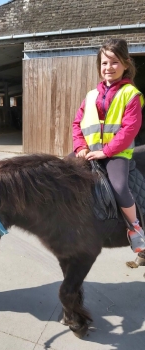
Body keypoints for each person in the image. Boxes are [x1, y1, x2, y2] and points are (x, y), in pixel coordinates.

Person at [72, 38, 145, 253]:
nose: (108, 68)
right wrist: (80, 147)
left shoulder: (131, 95)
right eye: (104, 63)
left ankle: (135, 229)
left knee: (120, 186)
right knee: (59, 174)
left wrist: (106, 151)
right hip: (88, 151)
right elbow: (78, 123)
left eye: (114, 62)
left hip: (116, 154)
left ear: (125, 64)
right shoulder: (91, 96)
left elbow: (129, 129)